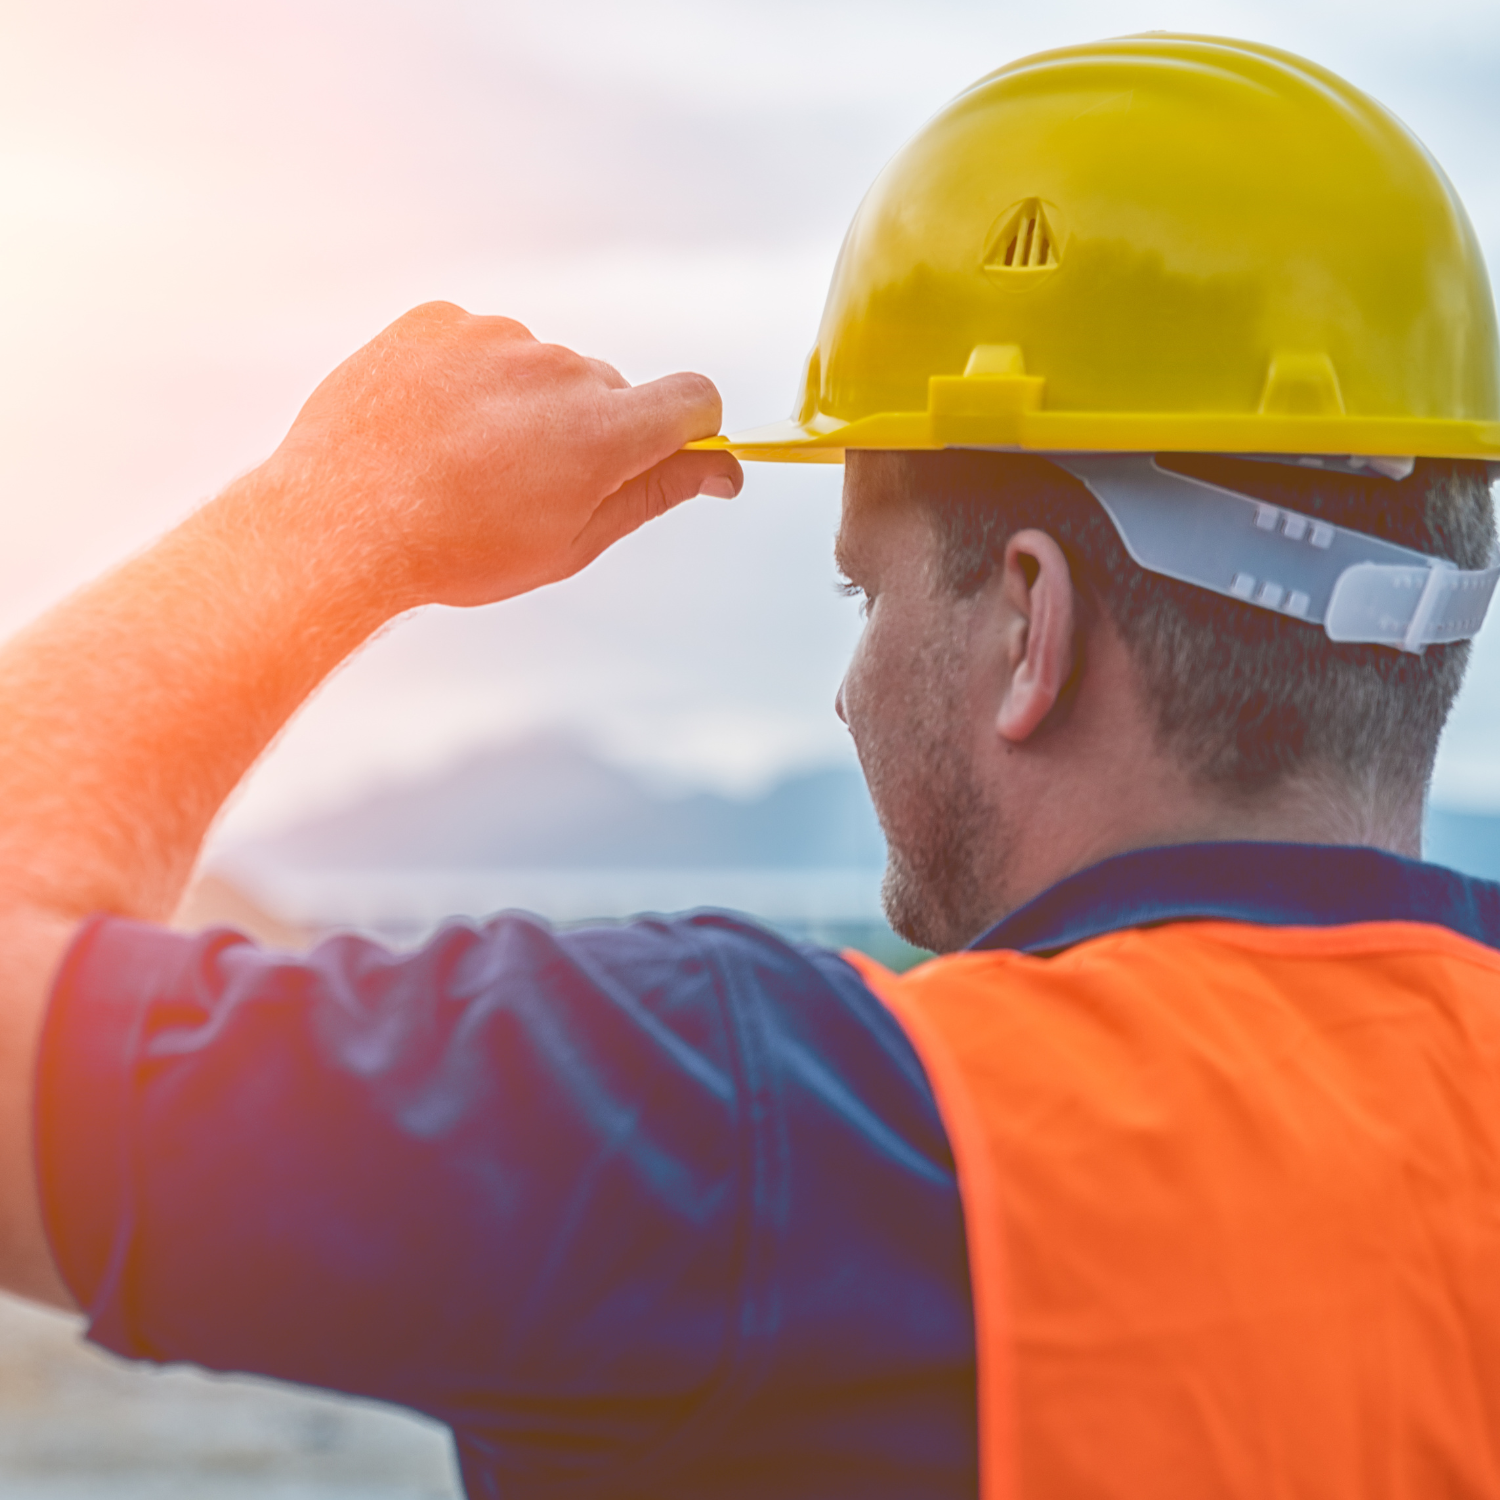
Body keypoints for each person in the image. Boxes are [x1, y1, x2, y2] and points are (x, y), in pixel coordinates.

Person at [2, 31, 1500, 1500]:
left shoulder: (745, 1136)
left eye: (869, 594)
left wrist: (334, 517)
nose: (850, 696)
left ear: (1032, 624)